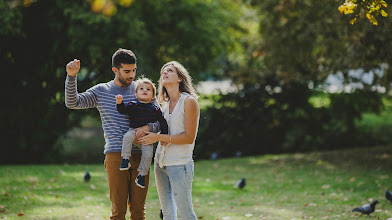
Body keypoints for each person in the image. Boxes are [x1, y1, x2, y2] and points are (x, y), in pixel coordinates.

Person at [65, 48, 160, 220]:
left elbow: (159, 120)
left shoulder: (142, 90)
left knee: (139, 212)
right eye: (127, 71)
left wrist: (148, 129)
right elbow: (73, 102)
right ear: (115, 70)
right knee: (118, 212)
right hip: (116, 155)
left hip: (141, 155)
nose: (132, 75)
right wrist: (71, 77)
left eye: (134, 70)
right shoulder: (102, 91)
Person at [139, 61, 200, 220]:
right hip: (160, 164)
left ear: (180, 78)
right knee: (167, 215)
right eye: (163, 71)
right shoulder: (163, 105)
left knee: (186, 214)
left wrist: (158, 137)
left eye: (170, 70)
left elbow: (189, 137)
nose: (164, 73)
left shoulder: (189, 102)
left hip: (179, 165)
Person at [115, 77, 168, 189]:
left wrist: (164, 136)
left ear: (153, 95)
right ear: (136, 94)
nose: (145, 90)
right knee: (127, 137)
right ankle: (125, 158)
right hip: (133, 131)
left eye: (148, 89)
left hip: (147, 137)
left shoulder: (155, 109)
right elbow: (122, 110)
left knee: (148, 154)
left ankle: (141, 175)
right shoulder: (133, 105)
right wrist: (119, 103)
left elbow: (162, 122)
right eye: (141, 89)